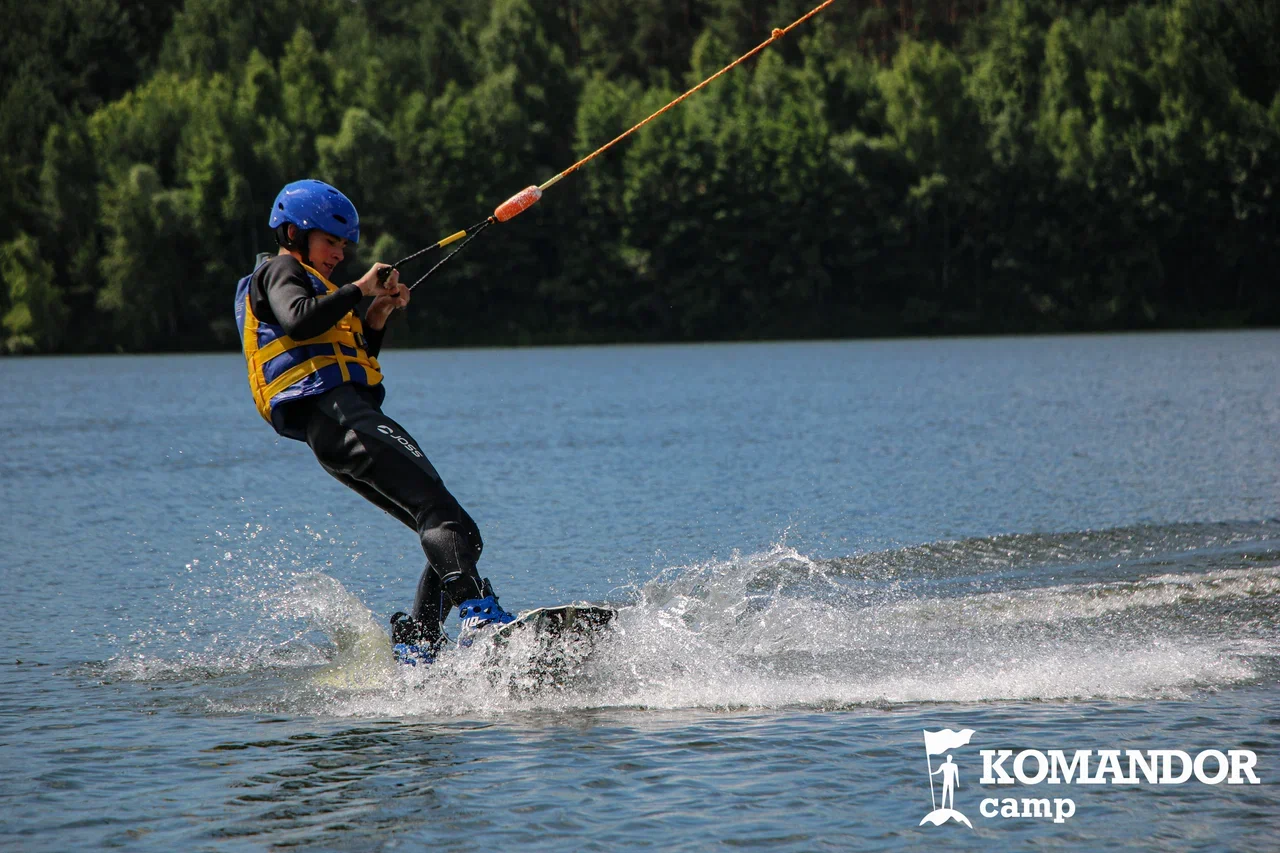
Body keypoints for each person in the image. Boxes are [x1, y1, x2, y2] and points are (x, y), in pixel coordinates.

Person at [234, 179, 513, 664]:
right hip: (337, 418)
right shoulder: (280, 270)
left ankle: (420, 643)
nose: (339, 254)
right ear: (294, 234)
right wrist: (360, 288)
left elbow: (347, 356)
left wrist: (378, 311)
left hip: (342, 423)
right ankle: (480, 618)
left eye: (343, 246)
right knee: (440, 514)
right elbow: (299, 321)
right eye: (330, 241)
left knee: (461, 532)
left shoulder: (315, 285)